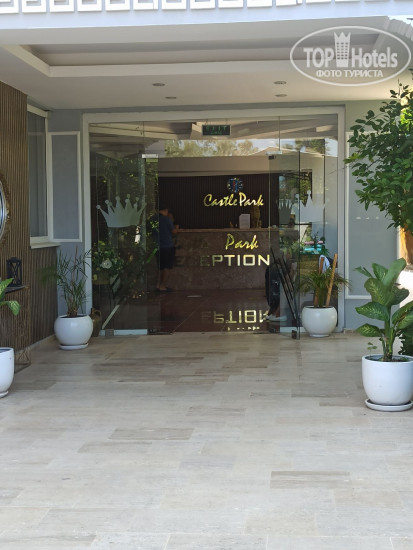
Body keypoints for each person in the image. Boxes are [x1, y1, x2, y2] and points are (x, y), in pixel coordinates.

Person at [156, 204, 179, 292]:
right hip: (167, 246)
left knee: (160, 267)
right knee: (166, 267)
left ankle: (158, 285)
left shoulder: (154, 219)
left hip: (158, 246)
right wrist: (176, 228)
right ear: (165, 210)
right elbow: (174, 232)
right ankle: (163, 286)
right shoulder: (166, 219)